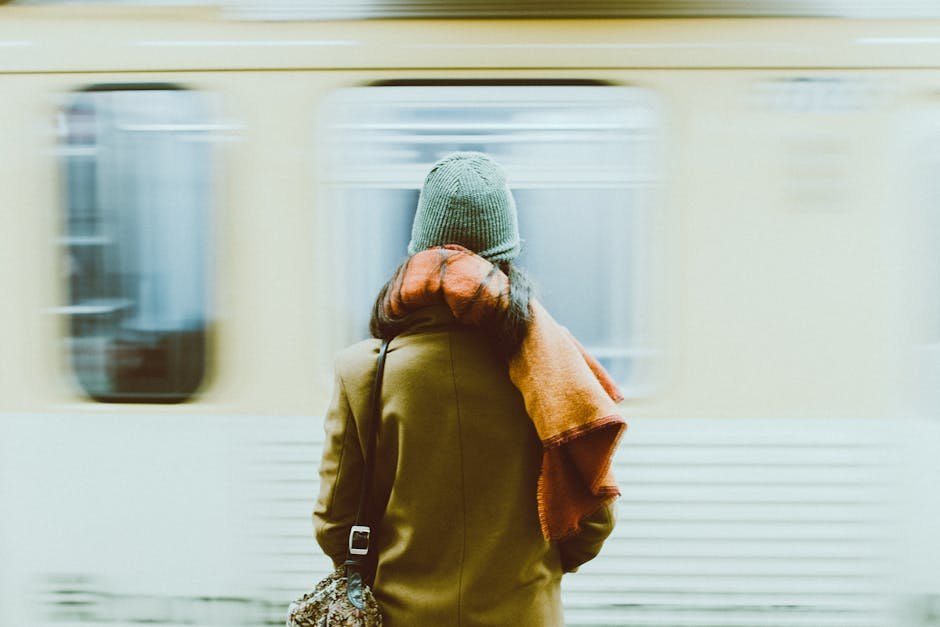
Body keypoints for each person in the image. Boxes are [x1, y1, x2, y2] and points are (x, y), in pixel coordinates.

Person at [313, 152, 626, 626]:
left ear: (419, 254)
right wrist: (533, 571)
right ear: (507, 257)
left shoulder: (362, 373)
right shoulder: (551, 368)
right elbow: (592, 520)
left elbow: (336, 524)